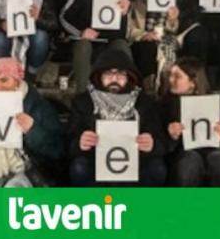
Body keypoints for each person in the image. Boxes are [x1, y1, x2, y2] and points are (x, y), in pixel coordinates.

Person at [69, 48, 167, 186]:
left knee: (157, 168)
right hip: (95, 159)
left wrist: (152, 144)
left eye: (121, 74)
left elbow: (161, 142)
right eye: (109, 73)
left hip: (136, 160)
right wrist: (80, 143)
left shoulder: (145, 103)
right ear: (99, 76)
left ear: (129, 77)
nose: (114, 79)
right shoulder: (83, 102)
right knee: (79, 167)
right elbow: (68, 143)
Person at [0, 58, 65, 187]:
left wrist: (32, 130)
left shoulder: (39, 107)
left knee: (14, 189)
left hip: (28, 170)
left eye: (4, 80)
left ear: (17, 81)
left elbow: (58, 151)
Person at [159, 58, 220, 186]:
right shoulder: (163, 105)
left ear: (193, 83)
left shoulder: (213, 102)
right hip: (181, 154)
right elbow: (159, 141)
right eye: (171, 75)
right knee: (190, 160)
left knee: (219, 160)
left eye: (177, 76)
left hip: (212, 151)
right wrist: (170, 134)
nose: (171, 79)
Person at [60, 0, 138, 93]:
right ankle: (83, 94)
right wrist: (81, 32)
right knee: (84, 45)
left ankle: (122, 93)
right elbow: (63, 17)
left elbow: (125, 37)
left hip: (108, 46)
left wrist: (125, 14)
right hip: (82, 45)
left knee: (122, 46)